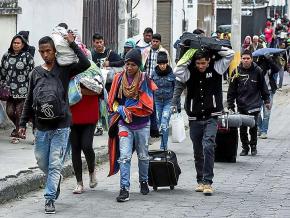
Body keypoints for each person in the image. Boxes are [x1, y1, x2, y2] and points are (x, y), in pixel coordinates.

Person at [18, 34, 90, 214]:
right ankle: (54, 179)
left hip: (62, 124)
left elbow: (85, 63)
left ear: (55, 51)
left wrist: (72, 43)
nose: (45, 55)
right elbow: (29, 99)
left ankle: (49, 198)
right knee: (43, 162)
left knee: (55, 163)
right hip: (41, 126)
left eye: (48, 51)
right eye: (42, 52)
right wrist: (22, 123)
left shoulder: (64, 69)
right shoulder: (35, 73)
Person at [172, 46, 234, 195]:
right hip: (194, 118)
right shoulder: (189, 72)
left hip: (212, 116)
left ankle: (208, 182)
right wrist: (191, 53)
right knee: (198, 151)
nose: (201, 66)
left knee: (208, 146)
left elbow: (230, 54)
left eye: (204, 63)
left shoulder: (217, 68)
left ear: (208, 61)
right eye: (198, 63)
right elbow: (177, 70)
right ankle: (200, 180)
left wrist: (213, 48)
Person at [107, 48, 157, 202]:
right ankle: (124, 188)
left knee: (143, 156)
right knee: (125, 156)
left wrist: (155, 126)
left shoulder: (145, 80)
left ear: (139, 66)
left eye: (133, 65)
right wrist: (120, 108)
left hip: (142, 124)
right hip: (124, 124)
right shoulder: (118, 79)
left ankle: (143, 181)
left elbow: (150, 105)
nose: (129, 68)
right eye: (127, 64)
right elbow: (111, 102)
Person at [227, 50, 270, 156]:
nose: (246, 60)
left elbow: (263, 87)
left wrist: (267, 100)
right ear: (241, 59)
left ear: (251, 59)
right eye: (244, 58)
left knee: (253, 127)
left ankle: (253, 147)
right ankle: (245, 147)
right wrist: (230, 104)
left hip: (254, 104)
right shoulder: (236, 71)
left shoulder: (258, 71)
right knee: (242, 128)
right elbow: (231, 90)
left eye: (248, 58)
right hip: (241, 104)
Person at [70, 65, 101, 194]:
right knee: (75, 148)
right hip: (72, 115)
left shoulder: (93, 70)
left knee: (87, 145)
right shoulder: (68, 69)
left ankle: (92, 171)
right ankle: (79, 182)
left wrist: (80, 90)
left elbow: (99, 90)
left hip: (89, 114)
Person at [0, 34, 34, 144]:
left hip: (23, 90)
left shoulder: (27, 56)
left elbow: (31, 73)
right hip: (9, 89)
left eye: (18, 43)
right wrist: (2, 83)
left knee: (20, 113)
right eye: (14, 43)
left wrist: (31, 87)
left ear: (23, 44)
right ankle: (19, 127)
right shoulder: (6, 55)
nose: (16, 45)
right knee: (9, 111)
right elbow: (3, 72)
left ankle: (19, 135)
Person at [91, 33, 124, 136]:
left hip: (109, 85)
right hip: (97, 84)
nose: (99, 44)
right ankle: (99, 127)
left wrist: (110, 64)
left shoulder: (109, 53)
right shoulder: (92, 54)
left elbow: (121, 62)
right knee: (97, 106)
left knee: (109, 105)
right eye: (97, 42)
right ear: (93, 43)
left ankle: (112, 125)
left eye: (101, 42)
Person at [151, 51, 175, 149]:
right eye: (160, 64)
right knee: (158, 122)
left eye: (164, 63)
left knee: (164, 122)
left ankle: (163, 147)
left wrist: (176, 104)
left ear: (167, 63)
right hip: (157, 101)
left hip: (168, 101)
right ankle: (161, 142)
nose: (162, 66)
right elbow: (150, 89)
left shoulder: (171, 73)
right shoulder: (154, 73)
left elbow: (176, 89)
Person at [256, 54, 280, 139]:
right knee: (257, 112)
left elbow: (277, 69)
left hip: (269, 91)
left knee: (267, 113)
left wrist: (270, 59)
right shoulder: (257, 67)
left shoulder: (271, 67)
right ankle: (259, 128)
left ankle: (264, 131)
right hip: (258, 92)